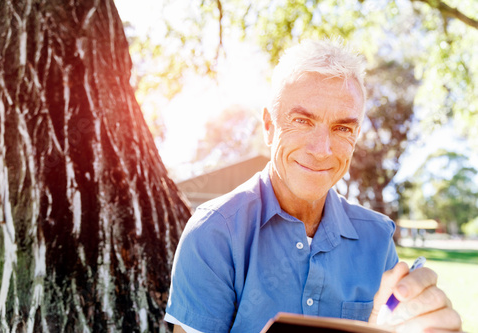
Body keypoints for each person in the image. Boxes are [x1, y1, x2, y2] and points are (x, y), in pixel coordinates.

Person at [164, 38, 462, 333]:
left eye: (342, 128)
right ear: (269, 127)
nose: (322, 150)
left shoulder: (378, 239)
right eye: (302, 121)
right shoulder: (214, 232)